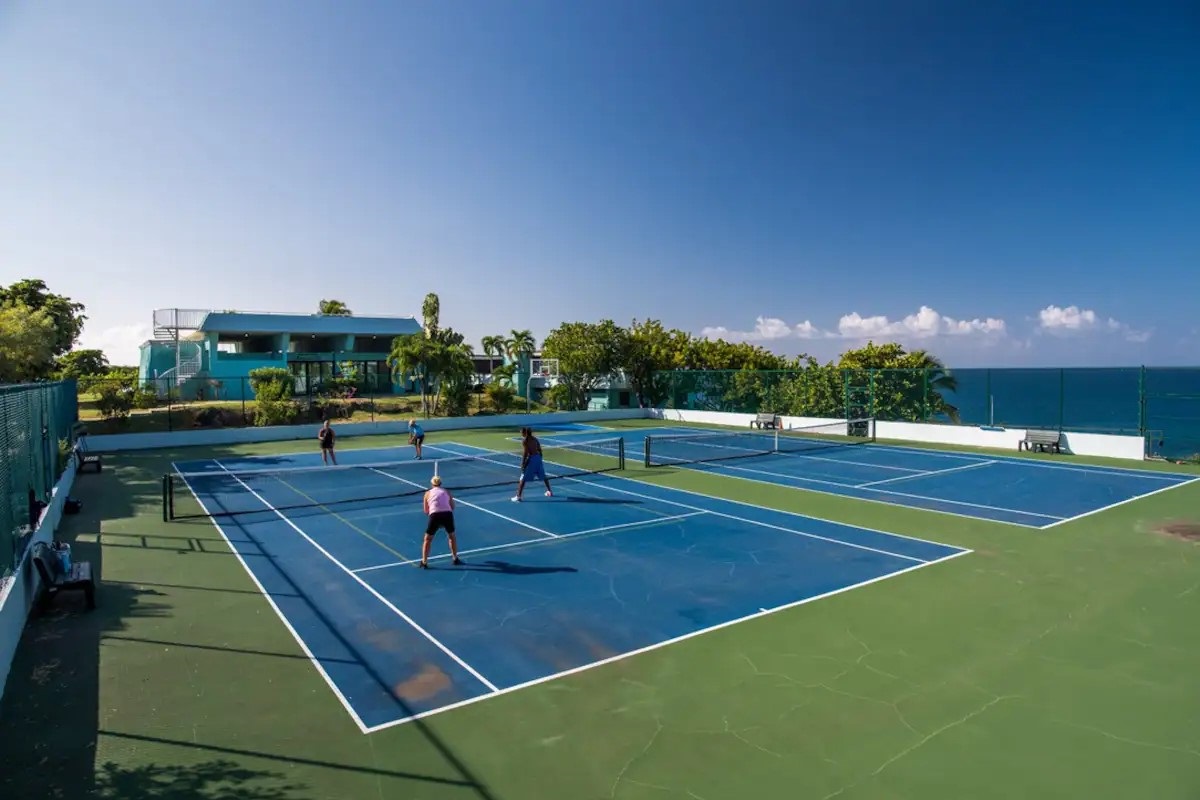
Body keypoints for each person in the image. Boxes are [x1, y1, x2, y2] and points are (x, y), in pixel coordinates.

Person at [419, 475, 461, 568]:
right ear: (441, 483)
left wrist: (437, 520)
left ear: (432, 484)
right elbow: (452, 507)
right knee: (452, 536)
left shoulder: (427, 493)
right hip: (447, 515)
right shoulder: (447, 491)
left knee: (428, 539)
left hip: (435, 515)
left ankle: (424, 562)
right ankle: (455, 558)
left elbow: (426, 511)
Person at [512, 426, 552, 502]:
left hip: (531, 460)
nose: (521, 434)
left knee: (522, 478)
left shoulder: (525, 441)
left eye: (521, 433)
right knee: (543, 475)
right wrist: (539, 458)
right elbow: (539, 449)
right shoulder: (535, 439)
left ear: (524, 433)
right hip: (537, 458)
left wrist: (523, 464)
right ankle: (549, 491)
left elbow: (525, 453)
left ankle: (518, 496)